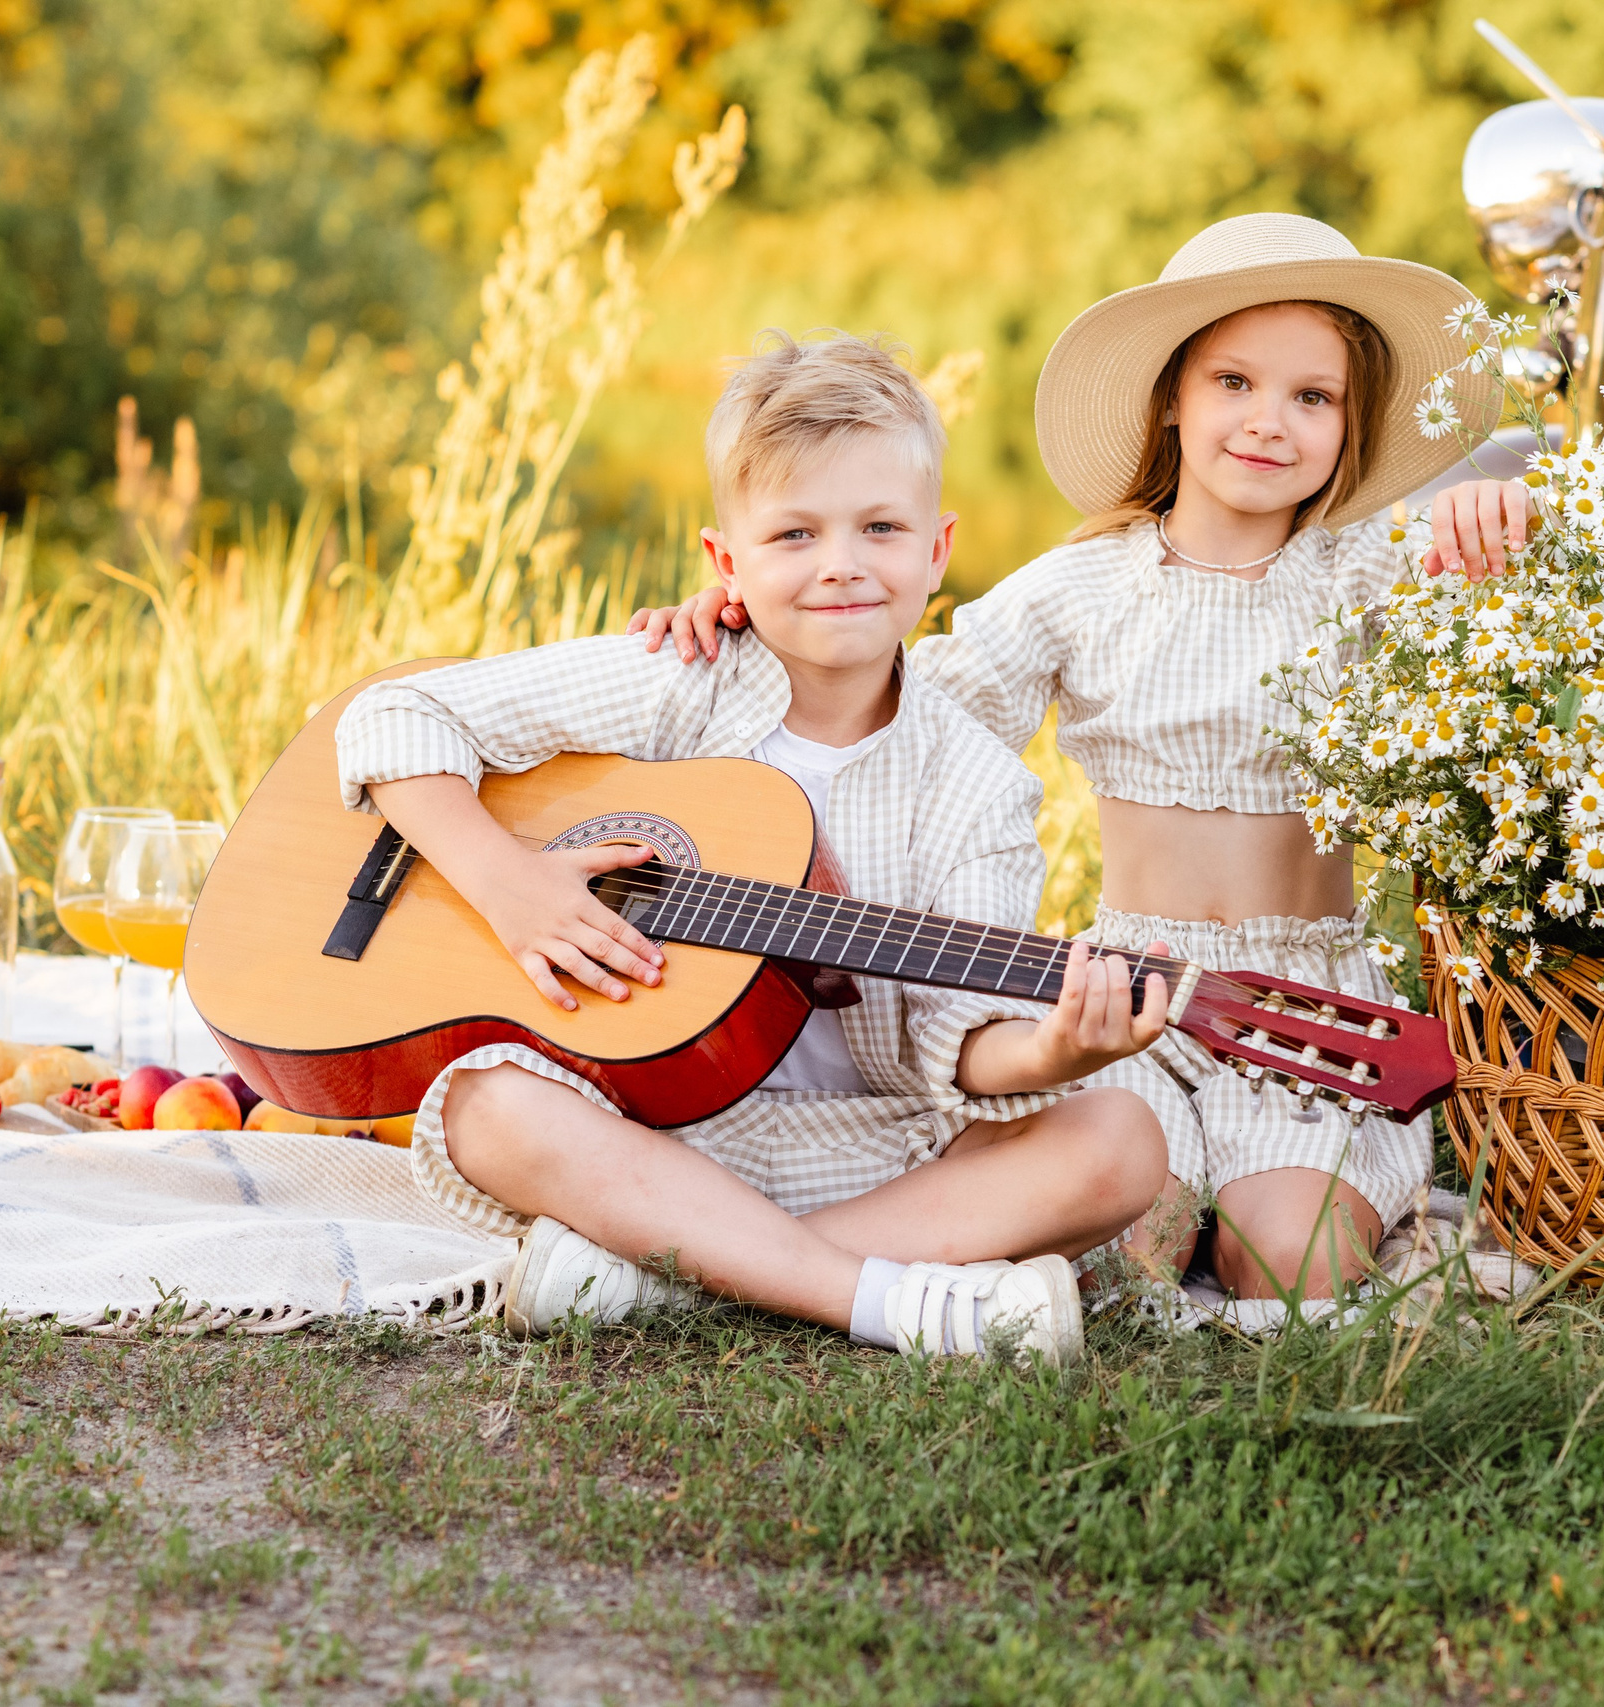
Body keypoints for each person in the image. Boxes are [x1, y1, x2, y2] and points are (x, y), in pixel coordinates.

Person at [633, 214, 1535, 1299]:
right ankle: (773, 1257)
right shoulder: (1080, 589)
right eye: (1234, 383)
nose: (1268, 423)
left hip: (1306, 994)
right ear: (1172, 396)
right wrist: (751, 616)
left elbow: (1549, 542)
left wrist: (1502, 498)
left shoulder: (1368, 574)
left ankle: (1334, 1215)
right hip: (1127, 991)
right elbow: (904, 708)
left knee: (1288, 1270)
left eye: (1313, 398)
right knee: (1121, 1255)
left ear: (1352, 423)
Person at [337, 332, 1173, 1363]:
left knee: (1120, 1139)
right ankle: (890, 1303)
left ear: (937, 551)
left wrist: (1063, 1046)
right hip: (648, 1133)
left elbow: (961, 1040)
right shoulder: (681, 675)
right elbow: (395, 715)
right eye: (793, 536)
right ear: (725, 562)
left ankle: (663, 1281)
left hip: (883, 1153)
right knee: (487, 1106)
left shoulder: (978, 784)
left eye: (880, 528)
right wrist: (506, 881)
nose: (841, 566)